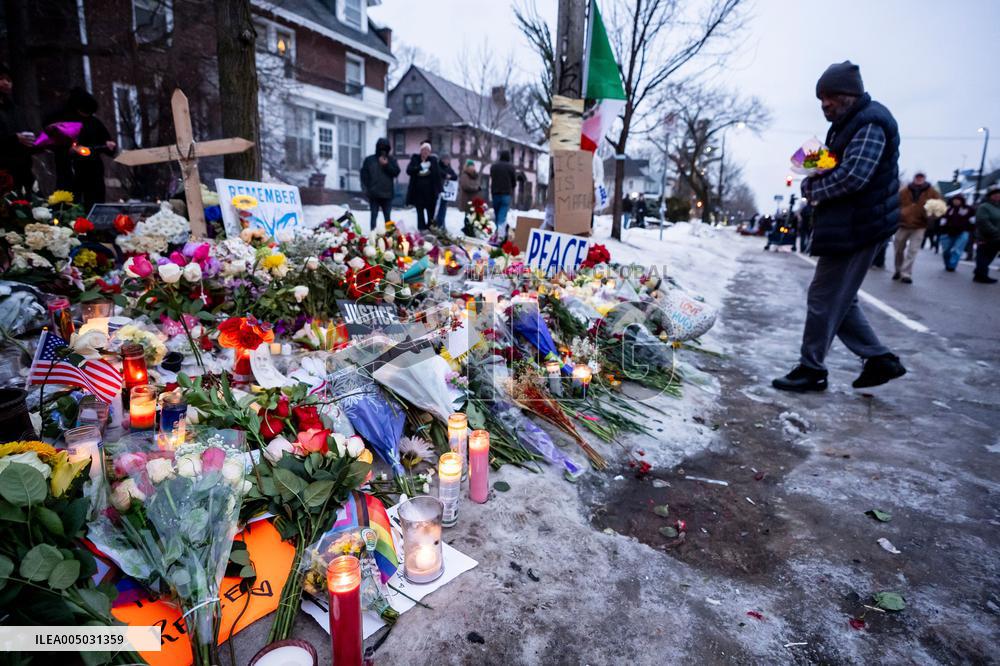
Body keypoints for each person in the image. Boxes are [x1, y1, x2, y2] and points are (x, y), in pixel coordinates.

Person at [773, 61, 905, 393]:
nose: (824, 104)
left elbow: (854, 176)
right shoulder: (847, 124)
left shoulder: (871, 122)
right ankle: (879, 359)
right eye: (821, 99)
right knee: (840, 300)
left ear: (850, 94)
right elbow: (834, 165)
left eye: (830, 97)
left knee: (823, 297)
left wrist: (811, 190)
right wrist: (810, 167)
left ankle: (811, 369)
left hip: (859, 225)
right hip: (851, 223)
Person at [49, 88, 116, 210]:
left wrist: (109, 146)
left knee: (94, 206)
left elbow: (108, 145)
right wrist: (69, 151)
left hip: (93, 173)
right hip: (70, 172)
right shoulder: (62, 122)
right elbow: (55, 145)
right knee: (69, 208)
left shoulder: (94, 123)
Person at [893, 172, 941, 283]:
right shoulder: (904, 191)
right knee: (898, 248)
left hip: (920, 225)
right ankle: (898, 269)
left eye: (921, 177)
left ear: (924, 179)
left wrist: (932, 216)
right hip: (903, 223)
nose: (919, 179)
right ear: (914, 178)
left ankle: (906, 274)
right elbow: (896, 203)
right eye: (917, 177)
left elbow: (939, 207)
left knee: (913, 250)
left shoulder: (932, 192)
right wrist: (898, 214)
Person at [0, 64, 35, 196]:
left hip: (22, 169)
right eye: (1, 78)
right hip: (3, 171)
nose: (6, 83)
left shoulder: (16, 109)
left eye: (9, 80)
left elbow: (26, 130)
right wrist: (15, 138)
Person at [360, 137, 400, 231]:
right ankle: (372, 235)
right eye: (381, 147)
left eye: (385, 147)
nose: (383, 149)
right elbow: (364, 176)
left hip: (387, 194)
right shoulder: (369, 160)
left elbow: (396, 172)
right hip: (373, 194)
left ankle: (390, 235)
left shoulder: (391, 160)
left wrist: (386, 165)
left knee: (388, 218)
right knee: (373, 216)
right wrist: (365, 189)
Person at [405, 142, 442, 231]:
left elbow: (437, 176)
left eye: (427, 150)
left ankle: (430, 230)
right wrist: (419, 167)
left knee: (431, 215)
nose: (425, 152)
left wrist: (440, 189)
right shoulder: (415, 159)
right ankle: (421, 230)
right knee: (420, 214)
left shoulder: (433, 161)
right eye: (424, 150)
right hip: (418, 193)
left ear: (430, 152)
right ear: (420, 151)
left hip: (430, 194)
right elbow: (409, 171)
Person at [938, 194, 974, 272]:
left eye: (958, 200)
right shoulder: (947, 209)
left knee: (957, 250)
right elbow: (942, 221)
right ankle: (947, 263)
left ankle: (952, 265)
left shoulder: (968, 209)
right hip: (947, 232)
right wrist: (941, 229)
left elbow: (973, 221)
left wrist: (970, 229)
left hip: (962, 232)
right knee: (946, 250)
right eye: (955, 200)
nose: (956, 201)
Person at [972, 186, 1000, 284]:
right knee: (983, 256)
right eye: (995, 193)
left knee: (989, 257)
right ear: (990, 196)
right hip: (986, 236)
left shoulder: (998, 207)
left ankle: (979, 274)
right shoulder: (984, 206)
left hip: (997, 238)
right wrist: (995, 231)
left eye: (999, 193)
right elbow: (982, 221)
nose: (997, 195)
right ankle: (982, 276)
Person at [489, 150, 517, 239]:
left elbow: (492, 177)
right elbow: (514, 182)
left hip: (495, 193)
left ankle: (498, 232)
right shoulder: (511, 167)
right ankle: (500, 235)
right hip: (506, 194)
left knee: (497, 214)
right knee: (502, 215)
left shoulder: (494, 167)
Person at [434, 154, 457, 228]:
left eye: (449, 160)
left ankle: (441, 223)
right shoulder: (438, 166)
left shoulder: (449, 168)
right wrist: (446, 175)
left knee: (443, 208)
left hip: (445, 192)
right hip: (437, 190)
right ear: (442, 159)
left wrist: (450, 176)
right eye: (446, 159)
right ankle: (435, 223)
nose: (447, 161)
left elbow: (455, 176)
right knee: (436, 208)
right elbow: (438, 172)